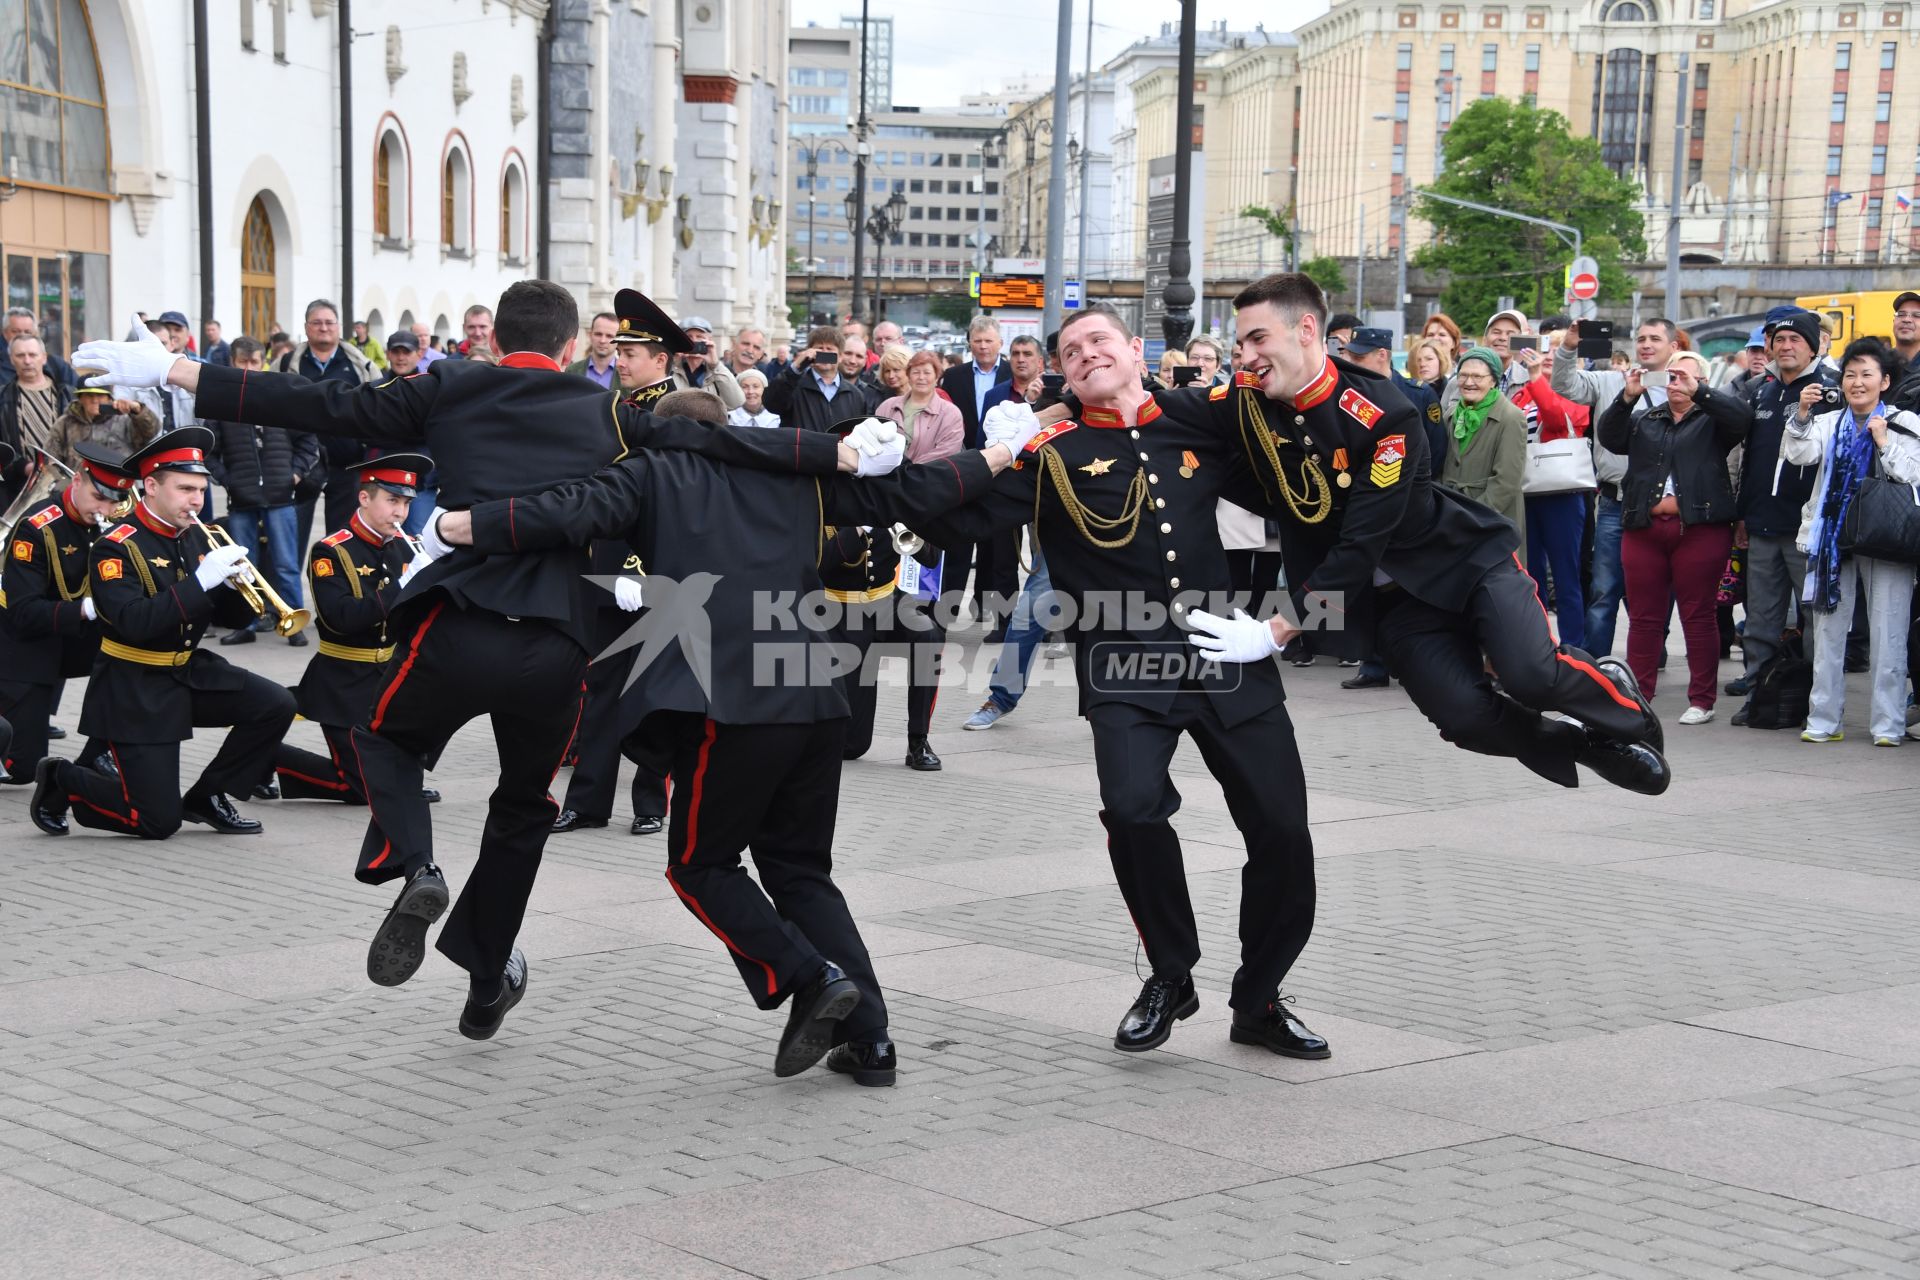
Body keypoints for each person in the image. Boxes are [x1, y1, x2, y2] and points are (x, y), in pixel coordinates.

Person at [74, 280, 865, 1039]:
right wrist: (844, 456)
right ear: (564, 345)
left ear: (498, 337)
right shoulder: (611, 412)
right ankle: (488, 973)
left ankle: (414, 867)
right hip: (560, 642)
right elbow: (710, 437)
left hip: (459, 622)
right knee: (523, 807)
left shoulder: (449, 386)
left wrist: (176, 371)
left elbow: (322, 404)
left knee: (382, 738)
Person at [435, 394, 1012, 1084]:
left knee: (698, 866)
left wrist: (457, 526)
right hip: (815, 691)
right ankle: (871, 1041)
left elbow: (564, 511)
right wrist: (1007, 450)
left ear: (667, 431)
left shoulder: (650, 472)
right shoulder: (794, 475)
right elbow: (919, 487)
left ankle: (811, 976)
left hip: (734, 702)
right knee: (800, 871)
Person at [916, 305, 1330, 1062]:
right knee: (1133, 812)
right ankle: (1172, 974)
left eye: (1098, 341)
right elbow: (951, 522)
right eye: (1069, 353)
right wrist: (992, 451)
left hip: (1225, 653)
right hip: (1124, 664)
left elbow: (1297, 481)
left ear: (1136, 350)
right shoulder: (1050, 452)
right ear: (1060, 375)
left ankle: (1260, 996)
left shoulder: (1196, 422)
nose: (1084, 355)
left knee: (1282, 829)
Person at [1212, 273, 1669, 800]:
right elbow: (1171, 417)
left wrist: (1277, 629)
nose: (1246, 355)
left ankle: (1619, 699)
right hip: (1394, 605)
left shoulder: (1384, 411)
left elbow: (1362, 542)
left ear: (1307, 329)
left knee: (1530, 676)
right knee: (1465, 719)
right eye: (1241, 343)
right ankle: (1586, 748)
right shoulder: (1246, 401)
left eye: (1258, 338)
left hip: (1463, 564)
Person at [27, 426, 297, 840]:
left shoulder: (193, 537)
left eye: (201, 491)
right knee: (157, 822)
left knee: (276, 703)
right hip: (134, 688)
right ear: (150, 486)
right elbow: (134, 622)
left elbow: (232, 619)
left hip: (186, 672)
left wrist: (235, 588)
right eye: (185, 488)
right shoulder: (115, 546)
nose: (196, 501)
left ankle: (210, 795)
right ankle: (62, 777)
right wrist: (201, 582)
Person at [551, 291, 684, 841]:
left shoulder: (674, 414)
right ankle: (587, 801)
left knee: (653, 689)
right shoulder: (614, 408)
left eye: (632, 351)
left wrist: (635, 566)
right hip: (605, 571)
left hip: (654, 572)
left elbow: (669, 503)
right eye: (619, 349)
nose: (619, 358)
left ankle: (651, 800)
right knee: (601, 686)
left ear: (661, 359)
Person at [264, 454, 443, 805]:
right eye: (392, 501)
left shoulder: (405, 547)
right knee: (361, 790)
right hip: (343, 681)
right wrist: (401, 586)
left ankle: (398, 775)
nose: (401, 513)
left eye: (406, 503)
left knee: (444, 698)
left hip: (390, 674)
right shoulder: (330, 551)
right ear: (364, 498)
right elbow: (341, 618)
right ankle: (269, 754)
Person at [1598, 351, 1750, 725]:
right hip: (1644, 529)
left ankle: (1702, 699)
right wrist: (1627, 396)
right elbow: (1609, 435)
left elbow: (1741, 419)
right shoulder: (1647, 419)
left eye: (1685, 376)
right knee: (1644, 617)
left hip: (1699, 529)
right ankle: (1639, 694)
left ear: (1702, 381)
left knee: (1697, 615)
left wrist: (1701, 393)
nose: (1676, 382)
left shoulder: (1713, 420)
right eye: (1672, 375)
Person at [1784, 337, 1920, 745]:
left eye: (1866, 375)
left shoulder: (1904, 422)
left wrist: (1885, 442)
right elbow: (1799, 454)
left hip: (1887, 539)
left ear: (1885, 381)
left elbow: (1913, 474)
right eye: (1850, 375)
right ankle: (1824, 719)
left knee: (1889, 633)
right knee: (1827, 634)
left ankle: (1887, 724)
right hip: (1832, 539)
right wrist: (1803, 413)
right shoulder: (1829, 421)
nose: (1857, 383)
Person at [840, 349, 965, 769]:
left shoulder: (894, 492)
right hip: (839, 606)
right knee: (851, 746)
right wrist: (857, 533)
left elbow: (929, 558)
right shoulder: (830, 494)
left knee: (928, 636)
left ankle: (919, 742)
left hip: (885, 599)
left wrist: (905, 532)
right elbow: (821, 560)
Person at [1553, 316, 1685, 659]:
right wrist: (1569, 347)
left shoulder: (1684, 385)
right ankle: (1595, 661)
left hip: (1664, 505)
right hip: (1616, 502)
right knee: (1604, 588)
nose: (1646, 344)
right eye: (1641, 337)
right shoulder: (1611, 380)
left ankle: (1652, 651)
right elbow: (1565, 386)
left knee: (1660, 587)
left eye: (1655, 338)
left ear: (1673, 346)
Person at [0, 442, 132, 785]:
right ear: (78, 480)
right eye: (99, 497)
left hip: (73, 638)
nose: (106, 509)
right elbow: (23, 614)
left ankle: (100, 752)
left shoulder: (112, 525)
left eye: (114, 501)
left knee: (137, 658)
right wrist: (88, 608)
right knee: (22, 768)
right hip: (25, 643)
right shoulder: (37, 527)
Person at [1726, 309, 1833, 718]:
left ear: (1812, 346)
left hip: (1807, 529)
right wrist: (1740, 516)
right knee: (1760, 622)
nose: (1786, 347)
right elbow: (1747, 459)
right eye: (1780, 340)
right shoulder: (1760, 391)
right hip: (1760, 524)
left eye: (1796, 341)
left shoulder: (1828, 390)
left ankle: (1813, 703)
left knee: (1813, 621)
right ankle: (1759, 697)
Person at [207, 336, 320, 650]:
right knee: (244, 566)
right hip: (242, 499)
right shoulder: (222, 401)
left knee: (285, 563)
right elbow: (208, 450)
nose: (248, 368)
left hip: (280, 496)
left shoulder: (279, 397)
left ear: (263, 361)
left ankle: (293, 621)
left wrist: (293, 475)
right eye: (242, 362)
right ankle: (248, 622)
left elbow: (308, 442)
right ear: (232, 362)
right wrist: (228, 480)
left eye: (254, 361)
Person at [273, 299, 378, 533]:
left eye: (329, 322)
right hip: (300, 466)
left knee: (340, 540)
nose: (324, 328)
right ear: (306, 327)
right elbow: (271, 407)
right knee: (293, 538)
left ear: (339, 327)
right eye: (317, 322)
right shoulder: (286, 364)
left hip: (347, 464)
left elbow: (374, 411)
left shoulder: (361, 366)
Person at [1512, 343, 1592, 650]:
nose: (1549, 356)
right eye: (1546, 349)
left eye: (1557, 352)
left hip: (1562, 493)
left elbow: (1558, 419)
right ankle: (1538, 640)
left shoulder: (1576, 393)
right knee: (1530, 574)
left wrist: (1537, 380)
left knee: (1565, 572)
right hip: (1527, 490)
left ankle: (1574, 645)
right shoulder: (1521, 394)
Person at [938, 315, 1014, 634]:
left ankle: (993, 612)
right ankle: (946, 613)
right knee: (957, 539)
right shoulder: (953, 377)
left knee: (997, 547)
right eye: (978, 340)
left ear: (1000, 343)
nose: (983, 346)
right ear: (969, 343)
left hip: (1004, 470)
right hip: (963, 465)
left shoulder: (1013, 375)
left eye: (989, 341)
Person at [1440, 346, 1527, 535]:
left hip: (1491, 520)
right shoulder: (1451, 414)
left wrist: (1471, 517)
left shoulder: (1511, 417)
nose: (1468, 382)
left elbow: (1506, 481)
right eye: (1463, 376)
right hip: (1451, 515)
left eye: (1478, 377)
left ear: (1493, 380)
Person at [0, 336, 74, 508]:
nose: (27, 361)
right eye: (20, 355)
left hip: (67, 486)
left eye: (32, 355)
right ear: (11, 359)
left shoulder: (69, 395)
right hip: (20, 489)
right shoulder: (2, 397)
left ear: (44, 357)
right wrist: (24, 467)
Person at [764, 327, 863, 434]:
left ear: (840, 356)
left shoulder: (855, 394)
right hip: (801, 449)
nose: (824, 353)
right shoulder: (793, 386)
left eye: (830, 349)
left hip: (837, 450)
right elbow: (772, 404)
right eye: (819, 349)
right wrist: (795, 368)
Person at [47, 387, 159, 470]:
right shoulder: (65, 422)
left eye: (100, 396)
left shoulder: (125, 420)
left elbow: (151, 431)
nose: (95, 400)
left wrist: (138, 409)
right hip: (76, 487)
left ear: (109, 399)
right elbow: (51, 458)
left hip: (117, 486)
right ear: (80, 399)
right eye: (89, 395)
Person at [566, 311, 619, 388]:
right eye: (598, 334)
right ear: (590, 335)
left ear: (618, 339)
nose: (602, 341)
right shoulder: (571, 371)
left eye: (609, 336)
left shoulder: (627, 374)